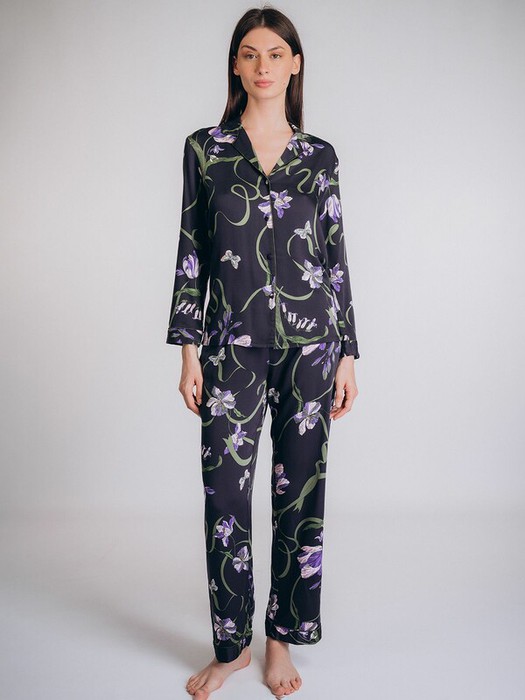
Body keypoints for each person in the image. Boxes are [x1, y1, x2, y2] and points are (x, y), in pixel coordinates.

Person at [166, 7, 360, 698]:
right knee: (225, 500)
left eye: (275, 53)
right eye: (250, 54)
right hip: (229, 349)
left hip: (312, 346)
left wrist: (348, 353)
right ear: (236, 66)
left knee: (299, 497)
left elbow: (334, 256)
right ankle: (231, 648)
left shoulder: (319, 157)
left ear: (294, 64)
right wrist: (188, 350)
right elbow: (192, 250)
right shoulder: (205, 149)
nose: (263, 66)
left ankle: (280, 641)